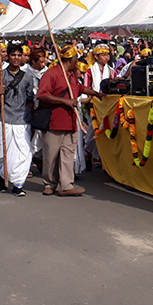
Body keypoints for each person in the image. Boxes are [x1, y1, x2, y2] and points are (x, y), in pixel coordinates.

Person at [37, 45, 101, 196]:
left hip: (71, 121)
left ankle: (66, 184)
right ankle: (49, 183)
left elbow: (80, 89)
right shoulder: (51, 74)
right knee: (51, 155)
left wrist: (97, 94)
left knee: (68, 155)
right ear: (71, 59)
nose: (76, 62)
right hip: (54, 121)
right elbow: (42, 95)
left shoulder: (71, 75)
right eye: (75, 59)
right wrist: (65, 102)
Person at [0, 43, 34, 197]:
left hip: (22, 120)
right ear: (7, 57)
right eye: (13, 55)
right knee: (3, 152)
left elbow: (30, 100)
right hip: (6, 118)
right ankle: (4, 178)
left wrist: (33, 119)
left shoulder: (28, 77)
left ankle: (18, 185)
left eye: (18, 55)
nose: (16, 58)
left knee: (24, 152)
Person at [83, 44, 114, 171]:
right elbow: (86, 88)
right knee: (93, 130)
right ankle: (88, 152)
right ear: (96, 57)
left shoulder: (112, 71)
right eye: (103, 55)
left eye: (108, 55)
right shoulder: (90, 71)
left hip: (107, 106)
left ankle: (98, 156)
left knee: (104, 131)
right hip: (93, 104)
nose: (106, 57)